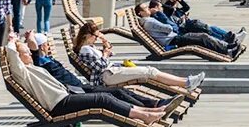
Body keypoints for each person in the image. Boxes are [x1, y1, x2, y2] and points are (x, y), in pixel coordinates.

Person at [4, 33, 171, 127]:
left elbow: (29, 52)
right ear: (20, 57)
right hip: (59, 104)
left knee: (107, 97)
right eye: (26, 52)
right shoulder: (23, 71)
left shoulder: (31, 67)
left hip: (66, 96)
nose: (29, 54)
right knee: (102, 99)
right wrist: (12, 39)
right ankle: (145, 115)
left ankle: (146, 111)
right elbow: (12, 52)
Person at [26, 32, 175, 109]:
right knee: (115, 92)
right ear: (40, 47)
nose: (48, 46)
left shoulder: (47, 59)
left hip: (80, 85)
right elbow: (33, 48)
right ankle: (147, 108)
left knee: (120, 91)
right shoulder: (39, 63)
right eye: (45, 44)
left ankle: (154, 104)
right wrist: (30, 38)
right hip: (74, 90)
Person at [74, 22, 204, 90]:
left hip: (112, 71)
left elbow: (104, 58)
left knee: (151, 71)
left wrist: (105, 46)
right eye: (96, 36)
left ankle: (185, 82)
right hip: (107, 76)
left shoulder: (89, 48)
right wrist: (105, 54)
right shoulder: (85, 49)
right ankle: (186, 83)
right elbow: (99, 67)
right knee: (150, 71)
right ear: (88, 36)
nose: (97, 38)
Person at [134, 3, 239, 57]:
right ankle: (227, 50)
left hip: (174, 38)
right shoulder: (149, 22)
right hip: (173, 41)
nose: (149, 9)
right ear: (140, 13)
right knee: (202, 37)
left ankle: (227, 47)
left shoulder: (148, 21)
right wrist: (159, 13)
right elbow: (168, 28)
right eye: (146, 8)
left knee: (202, 36)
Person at [147, 0, 245, 45]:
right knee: (203, 29)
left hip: (183, 27)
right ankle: (226, 40)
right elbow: (172, 27)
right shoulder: (161, 15)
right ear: (155, 7)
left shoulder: (166, 13)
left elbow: (186, 7)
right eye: (160, 6)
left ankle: (230, 37)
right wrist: (162, 9)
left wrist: (179, 0)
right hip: (181, 31)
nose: (162, 7)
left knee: (210, 28)